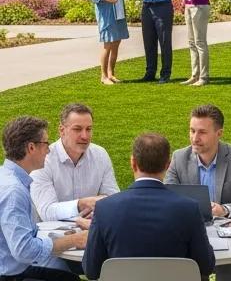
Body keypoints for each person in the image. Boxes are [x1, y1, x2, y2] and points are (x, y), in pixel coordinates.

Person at [82, 132, 215, 280]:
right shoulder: (189, 209)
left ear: (133, 163)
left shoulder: (104, 208)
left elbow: (91, 270)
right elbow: (206, 266)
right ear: (168, 164)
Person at [0, 116, 88, 281]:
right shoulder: (14, 191)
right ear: (31, 147)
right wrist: (74, 239)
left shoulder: (6, 177)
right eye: (46, 144)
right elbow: (24, 250)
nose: (48, 150)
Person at [165, 104, 231, 220]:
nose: (195, 138)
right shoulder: (179, 158)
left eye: (202, 132)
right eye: (192, 131)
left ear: (219, 134)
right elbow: (166, 199)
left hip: (226, 230)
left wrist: (224, 210)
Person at [30, 103, 118, 222]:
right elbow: (47, 212)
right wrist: (81, 204)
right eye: (77, 129)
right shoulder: (44, 160)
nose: (85, 136)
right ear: (62, 130)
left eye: (89, 129)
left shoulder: (100, 155)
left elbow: (114, 200)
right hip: (51, 236)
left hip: (90, 230)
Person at [89, 0, 130, 85]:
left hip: (118, 14)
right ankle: (103, 76)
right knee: (108, 44)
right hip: (107, 15)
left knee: (116, 43)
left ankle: (111, 73)